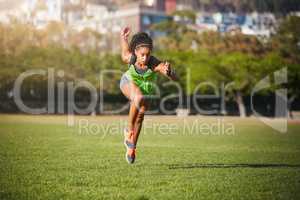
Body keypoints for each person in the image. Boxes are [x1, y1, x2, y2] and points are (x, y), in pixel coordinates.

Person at [119, 27, 177, 164]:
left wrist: (169, 72)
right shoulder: (130, 58)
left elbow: (171, 74)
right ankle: (128, 132)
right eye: (142, 55)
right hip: (128, 82)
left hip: (146, 90)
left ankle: (132, 147)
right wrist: (123, 38)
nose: (145, 58)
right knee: (137, 97)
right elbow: (124, 52)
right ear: (136, 53)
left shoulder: (153, 63)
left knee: (140, 115)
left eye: (148, 54)